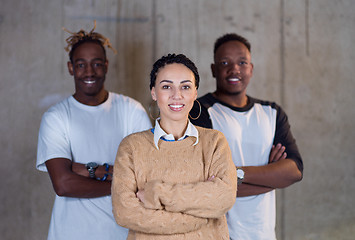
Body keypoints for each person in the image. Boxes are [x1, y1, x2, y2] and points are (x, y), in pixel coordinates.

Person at [36, 22, 152, 240]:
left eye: (96, 64)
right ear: (71, 67)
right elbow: (63, 184)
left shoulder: (131, 110)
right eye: (81, 65)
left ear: (106, 65)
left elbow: (145, 179)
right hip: (70, 234)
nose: (89, 71)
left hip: (124, 234)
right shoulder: (56, 117)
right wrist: (110, 175)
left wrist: (85, 170)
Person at [189, 33, 304, 240]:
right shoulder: (199, 112)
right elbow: (204, 187)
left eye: (242, 62)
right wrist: (272, 176)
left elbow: (295, 170)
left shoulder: (271, 112)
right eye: (225, 62)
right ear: (214, 70)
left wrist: (236, 174)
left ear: (251, 69)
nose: (234, 69)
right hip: (219, 234)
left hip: (264, 234)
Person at [111, 53, 237, 240]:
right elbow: (125, 212)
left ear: (195, 92)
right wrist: (198, 215)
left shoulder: (214, 142)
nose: (176, 95)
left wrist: (156, 193)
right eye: (166, 86)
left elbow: (224, 197)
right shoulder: (131, 147)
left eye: (185, 87)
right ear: (153, 92)